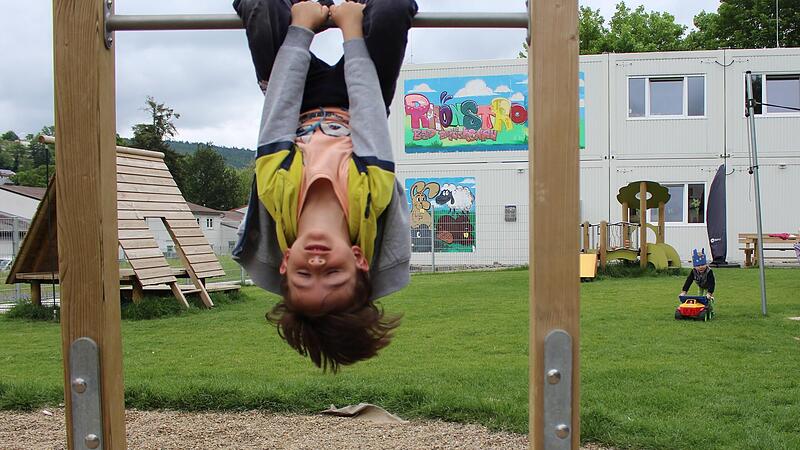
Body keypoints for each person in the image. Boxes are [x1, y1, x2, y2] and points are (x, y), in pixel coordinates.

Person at [231, 0, 417, 372]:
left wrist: (301, 29)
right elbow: (369, 110)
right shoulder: (370, 197)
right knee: (392, 11)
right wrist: (351, 30)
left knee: (265, 11)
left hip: (296, 94)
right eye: (332, 273)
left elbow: (279, 108)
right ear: (359, 260)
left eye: (304, 274)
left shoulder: (276, 191)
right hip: (360, 94)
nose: (316, 262)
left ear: (285, 263)